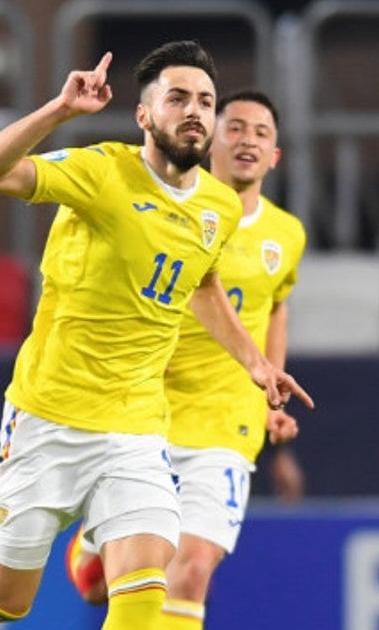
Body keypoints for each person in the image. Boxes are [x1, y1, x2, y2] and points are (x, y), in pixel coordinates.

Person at [0, 41, 314, 630]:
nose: (195, 112)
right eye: (177, 98)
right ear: (144, 114)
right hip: (51, 413)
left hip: (136, 429)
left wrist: (255, 363)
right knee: (2, 604)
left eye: (205, 100)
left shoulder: (217, 207)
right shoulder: (101, 170)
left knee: (146, 593)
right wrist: (58, 111)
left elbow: (203, 285)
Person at [63, 90, 309, 628]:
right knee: (97, 587)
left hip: (226, 424)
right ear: (210, 141)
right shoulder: (173, 214)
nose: (248, 139)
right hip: (146, 410)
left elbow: (276, 306)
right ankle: (89, 546)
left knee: (192, 566)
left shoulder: (286, 235)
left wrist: (268, 386)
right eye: (236, 128)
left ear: (275, 157)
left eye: (261, 133)